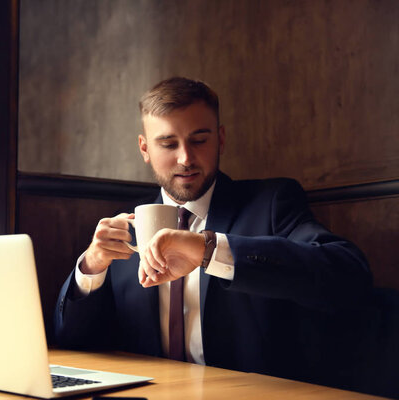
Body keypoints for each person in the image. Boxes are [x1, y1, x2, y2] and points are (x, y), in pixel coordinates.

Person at [53, 77, 372, 387]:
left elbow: (349, 277)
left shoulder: (272, 203)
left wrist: (208, 249)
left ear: (220, 139)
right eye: (168, 143)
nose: (186, 158)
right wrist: (90, 268)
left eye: (199, 140)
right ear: (144, 148)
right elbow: (72, 340)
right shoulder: (126, 228)